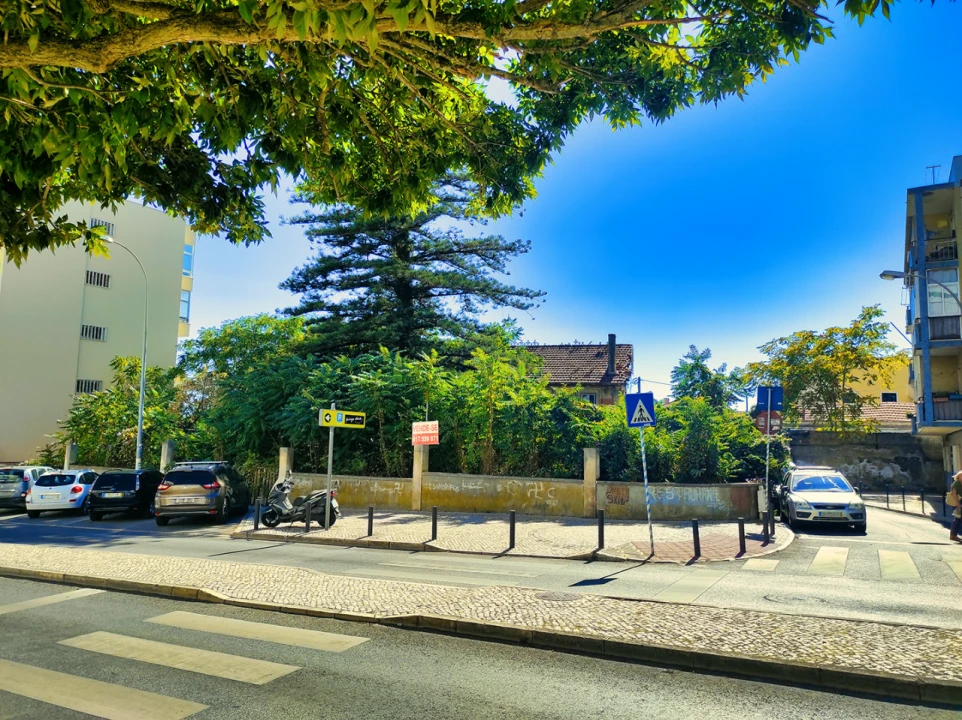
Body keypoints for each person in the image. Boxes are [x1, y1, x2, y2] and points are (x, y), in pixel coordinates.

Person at [951, 471, 962, 543]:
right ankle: (953, 535)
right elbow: (954, 494)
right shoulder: (956, 483)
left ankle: (953, 535)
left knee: (958, 519)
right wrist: (958, 504)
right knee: (957, 518)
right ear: (958, 476)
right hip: (957, 503)